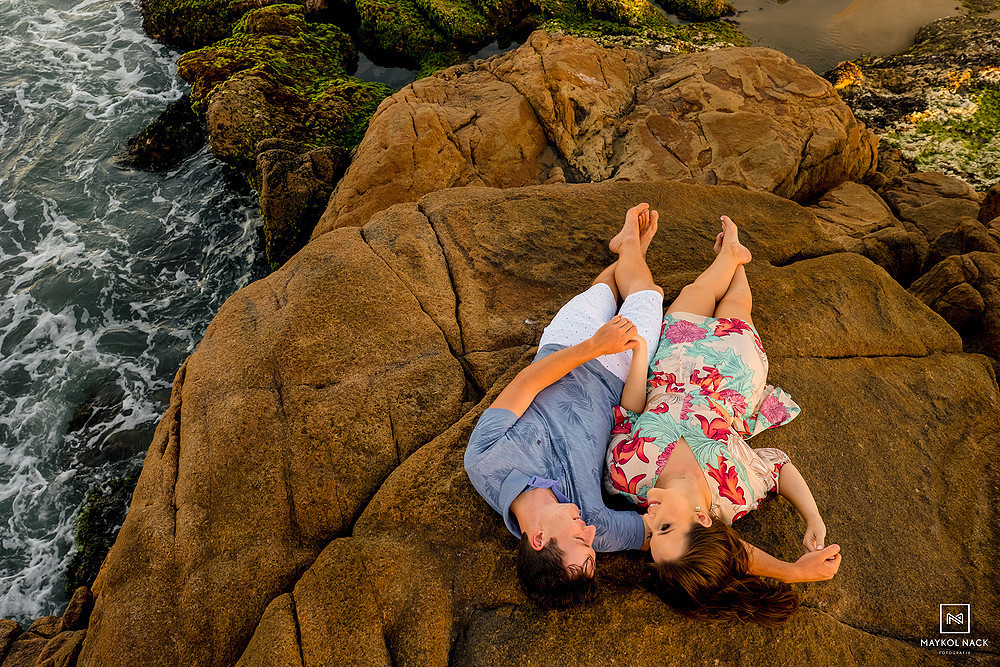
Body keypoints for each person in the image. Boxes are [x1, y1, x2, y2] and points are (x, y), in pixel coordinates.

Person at [605, 215, 842, 627]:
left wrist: (640, 358)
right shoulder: (733, 492)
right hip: (731, 378)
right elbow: (778, 465)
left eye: (651, 535)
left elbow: (628, 414)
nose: (646, 520)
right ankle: (737, 258)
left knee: (695, 292)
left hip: (670, 366)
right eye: (662, 527)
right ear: (701, 518)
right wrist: (813, 517)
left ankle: (732, 254)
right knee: (736, 305)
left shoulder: (627, 476)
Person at [464, 203, 664, 608]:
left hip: (565, 345)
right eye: (593, 549)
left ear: (538, 540)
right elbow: (670, 533)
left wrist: (593, 345)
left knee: (600, 291)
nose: (590, 535)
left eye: (579, 542)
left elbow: (528, 381)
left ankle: (629, 250)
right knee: (649, 294)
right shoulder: (596, 522)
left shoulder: (484, 461)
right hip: (619, 369)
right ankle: (630, 249)